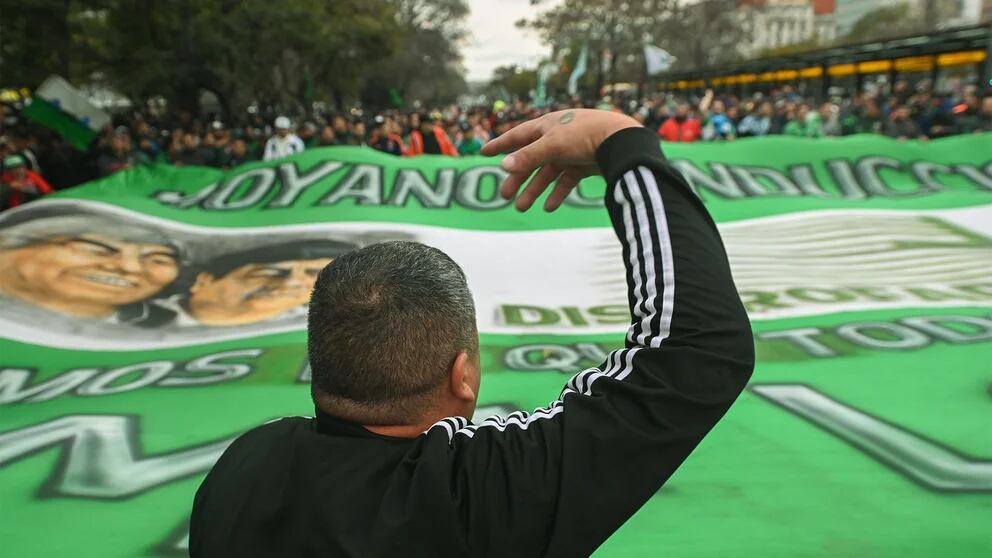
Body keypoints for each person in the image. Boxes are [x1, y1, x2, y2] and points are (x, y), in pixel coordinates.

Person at [190, 109, 754, 556]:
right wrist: (622, 139)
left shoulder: (245, 466)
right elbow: (696, 347)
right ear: (462, 376)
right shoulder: (480, 495)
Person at [0, 216, 181, 321]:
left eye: (158, 260)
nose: (130, 267)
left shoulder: (176, 324)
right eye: (95, 249)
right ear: (6, 245)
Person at [145, 240, 353, 327]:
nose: (291, 282)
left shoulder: (325, 326)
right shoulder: (137, 316)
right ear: (204, 281)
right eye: (269, 272)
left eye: (312, 273)